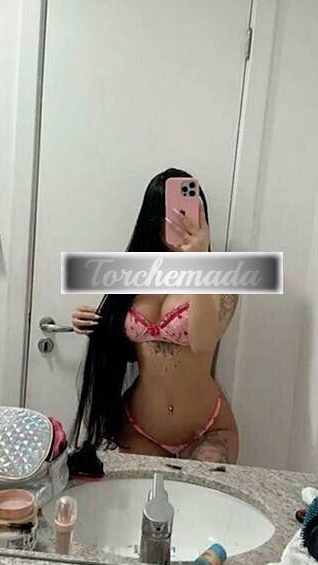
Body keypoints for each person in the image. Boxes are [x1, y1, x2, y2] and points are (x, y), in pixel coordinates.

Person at [71, 168, 239, 463]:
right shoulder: (131, 276)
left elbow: (203, 342)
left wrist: (198, 261)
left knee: (202, 494)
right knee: (138, 494)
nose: (177, 222)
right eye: (167, 215)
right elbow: (124, 351)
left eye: (185, 213)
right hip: (138, 428)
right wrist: (94, 325)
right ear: (151, 218)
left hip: (207, 429)